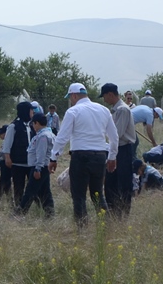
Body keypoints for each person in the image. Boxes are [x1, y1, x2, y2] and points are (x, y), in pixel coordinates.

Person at [49, 83, 118, 225]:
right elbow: (114, 137)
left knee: (79, 195)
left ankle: (82, 227)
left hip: (80, 156)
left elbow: (62, 137)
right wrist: (112, 157)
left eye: (71, 98)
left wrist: (53, 157)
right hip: (100, 156)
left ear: (73, 95)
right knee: (97, 193)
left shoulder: (73, 111)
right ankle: (105, 225)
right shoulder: (104, 110)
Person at [101, 83, 137, 216]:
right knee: (111, 183)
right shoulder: (115, 110)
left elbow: (117, 133)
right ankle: (113, 211)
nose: (104, 100)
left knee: (123, 182)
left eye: (105, 96)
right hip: (114, 149)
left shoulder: (122, 110)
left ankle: (122, 213)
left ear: (110, 94)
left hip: (123, 149)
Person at [16, 112, 55, 216]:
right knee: (45, 191)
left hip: (40, 167)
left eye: (33, 124)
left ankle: (20, 213)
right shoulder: (48, 134)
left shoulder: (42, 136)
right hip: (44, 166)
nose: (33, 127)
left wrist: (37, 169)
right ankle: (50, 213)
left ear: (36, 123)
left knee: (30, 191)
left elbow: (41, 153)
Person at [0, 102, 35, 212]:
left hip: (31, 163)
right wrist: (7, 157)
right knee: (19, 187)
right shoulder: (14, 126)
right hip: (18, 163)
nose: (32, 112)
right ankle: (19, 208)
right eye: (30, 110)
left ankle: (28, 207)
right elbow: (7, 144)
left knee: (33, 187)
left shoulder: (33, 125)